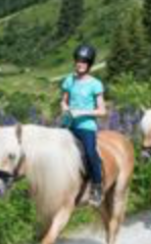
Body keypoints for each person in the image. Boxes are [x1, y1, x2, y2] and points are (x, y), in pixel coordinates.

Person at [60, 44, 107, 207]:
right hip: (68, 124)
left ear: (89, 64)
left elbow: (102, 111)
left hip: (86, 126)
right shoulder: (68, 80)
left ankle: (97, 186)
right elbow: (64, 101)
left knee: (89, 152)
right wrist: (65, 108)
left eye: (84, 61)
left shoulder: (95, 84)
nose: (80, 64)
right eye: (78, 60)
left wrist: (81, 113)